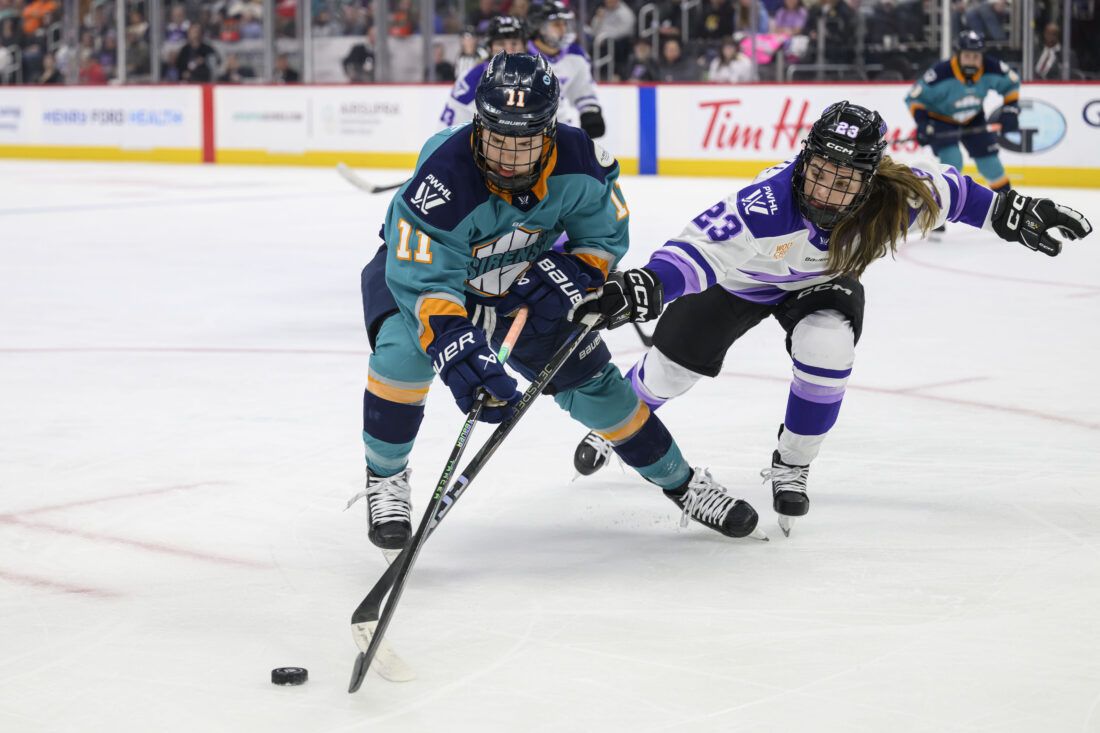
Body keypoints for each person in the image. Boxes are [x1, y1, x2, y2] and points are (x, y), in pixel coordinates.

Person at [568, 100, 1092, 536]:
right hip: (741, 282)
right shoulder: (763, 206)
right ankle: (623, 420)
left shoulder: (896, 193)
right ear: (806, 159)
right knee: (669, 374)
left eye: (844, 181)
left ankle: (792, 464)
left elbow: (956, 191)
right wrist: (650, 283)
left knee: (828, 349)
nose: (825, 192)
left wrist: (1012, 213)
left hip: (820, 283)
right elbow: (694, 250)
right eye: (820, 173)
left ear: (869, 179)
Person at [349, 52, 766, 552]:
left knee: (598, 387)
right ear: (479, 125)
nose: (508, 158)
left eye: (523, 145)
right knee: (402, 355)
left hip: (521, 286)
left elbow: (604, 238)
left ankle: (682, 482)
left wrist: (574, 272)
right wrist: (454, 343)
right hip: (425, 283)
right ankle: (385, 479)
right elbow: (423, 279)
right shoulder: (444, 172)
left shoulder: (583, 162)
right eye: (498, 140)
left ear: (549, 132)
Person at [906, 30, 1019, 196]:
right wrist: (923, 123)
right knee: (952, 163)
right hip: (941, 120)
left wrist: (1010, 110)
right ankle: (938, 213)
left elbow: (1011, 84)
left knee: (991, 164)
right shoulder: (940, 74)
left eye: (976, 57)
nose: (972, 62)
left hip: (974, 118)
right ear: (958, 55)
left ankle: (1008, 206)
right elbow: (914, 98)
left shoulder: (992, 68)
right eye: (967, 56)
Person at [526, 0, 606, 139]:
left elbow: (582, 89)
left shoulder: (575, 55)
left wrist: (589, 111)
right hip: (523, 132)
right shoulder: (521, 55)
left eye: (565, 24)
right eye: (557, 24)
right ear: (538, 27)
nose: (563, 29)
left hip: (559, 130)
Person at [440, 16, 527, 127]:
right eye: (501, 44)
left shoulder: (540, 74)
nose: (509, 50)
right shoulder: (471, 78)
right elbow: (449, 128)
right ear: (490, 47)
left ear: (525, 46)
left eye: (514, 43)